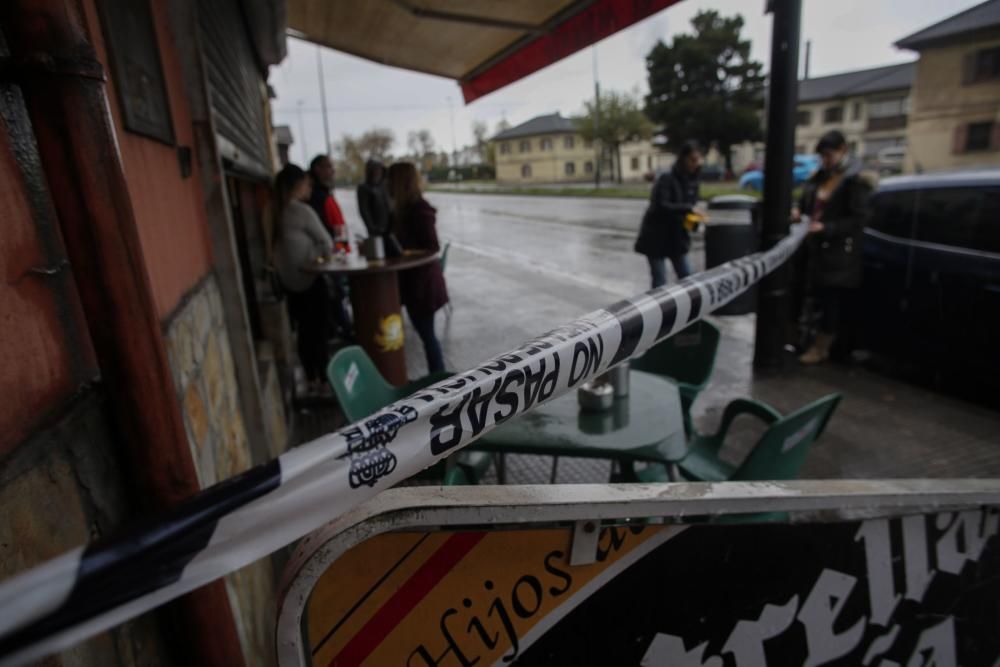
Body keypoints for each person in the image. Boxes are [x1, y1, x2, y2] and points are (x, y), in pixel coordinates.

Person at [796, 130, 876, 365]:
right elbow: (809, 203)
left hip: (838, 254)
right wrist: (801, 214)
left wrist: (826, 228)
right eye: (822, 156)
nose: (825, 160)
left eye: (829, 155)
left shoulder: (854, 180)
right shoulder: (820, 176)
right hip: (815, 249)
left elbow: (859, 219)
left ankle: (822, 347)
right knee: (814, 297)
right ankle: (807, 339)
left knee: (830, 301)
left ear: (843, 151)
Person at [273, 164, 333, 393]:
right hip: (308, 279)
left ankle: (311, 379)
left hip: (288, 283)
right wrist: (317, 255)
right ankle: (325, 380)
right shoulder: (300, 210)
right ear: (298, 185)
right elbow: (326, 242)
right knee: (319, 331)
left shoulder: (275, 210)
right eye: (307, 183)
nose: (310, 187)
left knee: (305, 333)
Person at [386, 162, 449, 373]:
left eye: (390, 180)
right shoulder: (400, 210)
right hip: (413, 285)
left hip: (422, 286)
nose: (386, 184)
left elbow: (432, 246)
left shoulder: (419, 210)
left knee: (428, 336)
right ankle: (439, 381)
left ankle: (441, 383)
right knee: (426, 335)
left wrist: (405, 253)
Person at [634, 141, 704, 288]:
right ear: (683, 159)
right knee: (660, 281)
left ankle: (689, 309)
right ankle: (659, 310)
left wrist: (694, 221)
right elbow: (660, 205)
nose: (695, 163)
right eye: (692, 159)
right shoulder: (667, 178)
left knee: (686, 276)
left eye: (697, 160)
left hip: (677, 237)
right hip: (656, 237)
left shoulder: (693, 181)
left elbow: (691, 206)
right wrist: (689, 209)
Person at [308, 155, 353, 340]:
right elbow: (332, 230)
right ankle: (346, 333)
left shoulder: (323, 193)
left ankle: (344, 329)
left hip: (335, 255)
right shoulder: (317, 196)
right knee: (335, 297)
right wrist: (340, 252)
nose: (332, 171)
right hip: (331, 257)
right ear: (318, 169)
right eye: (328, 167)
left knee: (338, 297)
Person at [357, 159, 391, 236]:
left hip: (388, 226)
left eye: (379, 169)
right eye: (375, 169)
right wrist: (372, 228)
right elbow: (364, 210)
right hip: (376, 228)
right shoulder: (364, 187)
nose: (377, 172)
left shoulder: (384, 185)